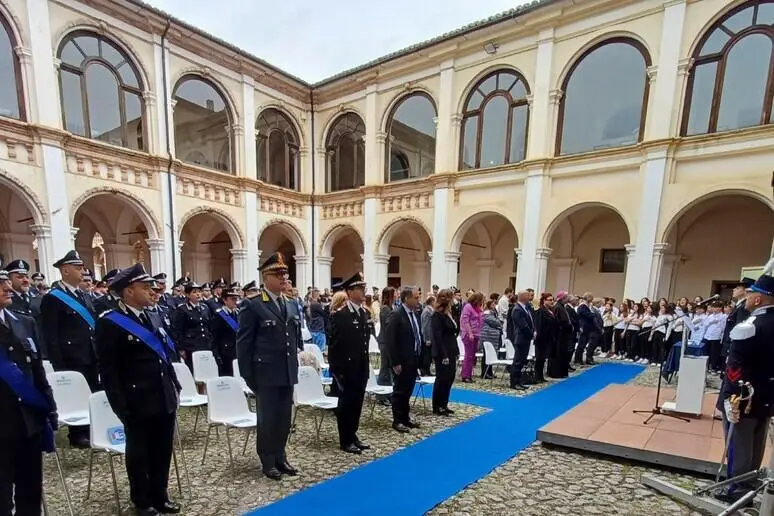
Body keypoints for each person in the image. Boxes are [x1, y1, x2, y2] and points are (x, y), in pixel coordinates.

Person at [95, 263, 181, 515]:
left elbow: (163, 358)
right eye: (145, 287)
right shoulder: (110, 322)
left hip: (162, 395)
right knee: (140, 454)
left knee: (162, 450)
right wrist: (121, 406)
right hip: (137, 400)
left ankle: (160, 495)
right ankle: (142, 501)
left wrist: (173, 386)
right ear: (129, 291)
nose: (152, 291)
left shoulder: (153, 315)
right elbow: (109, 370)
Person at [236, 252, 301, 480]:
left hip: (286, 371)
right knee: (268, 419)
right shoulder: (253, 304)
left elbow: (293, 339)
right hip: (265, 373)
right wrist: (249, 376)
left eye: (285, 273)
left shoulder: (290, 304)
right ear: (266, 277)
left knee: (283, 418)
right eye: (278, 274)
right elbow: (244, 344)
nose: (284, 278)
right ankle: (268, 459)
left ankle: (281, 456)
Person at [0, 269, 57, 515]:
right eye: (0, 284)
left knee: (30, 492)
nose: (8, 288)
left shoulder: (24, 322)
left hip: (28, 423)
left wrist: (50, 409)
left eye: (6, 282)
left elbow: (37, 373)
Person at [715, 272, 774, 504]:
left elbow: (735, 367)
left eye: (750, 294)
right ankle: (748, 485)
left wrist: (730, 398)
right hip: (766, 395)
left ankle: (736, 489)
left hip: (743, 397)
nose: (747, 298)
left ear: (758, 299)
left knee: (739, 443)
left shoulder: (749, 326)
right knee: (757, 441)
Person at [40, 250, 97, 448]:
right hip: (70, 356)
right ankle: (77, 433)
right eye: (78, 268)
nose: (83, 271)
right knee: (76, 394)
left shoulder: (83, 295)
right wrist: (58, 361)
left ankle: (92, 427)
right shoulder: (53, 298)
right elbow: (50, 333)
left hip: (90, 352)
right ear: (65, 270)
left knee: (91, 390)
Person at [328, 273, 372, 454]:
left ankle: (353, 435)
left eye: (363, 288)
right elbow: (334, 345)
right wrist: (337, 371)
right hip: (347, 369)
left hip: (360, 367)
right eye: (360, 288)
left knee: (357, 403)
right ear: (350, 291)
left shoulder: (363, 313)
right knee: (346, 405)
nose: (363, 292)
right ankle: (345, 440)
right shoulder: (341, 315)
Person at [384, 286, 423, 433]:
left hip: (413, 358)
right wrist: (395, 362)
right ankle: (398, 420)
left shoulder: (414, 314)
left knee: (408, 390)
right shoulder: (396, 315)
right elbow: (390, 341)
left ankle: (406, 417)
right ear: (407, 298)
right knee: (400, 391)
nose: (418, 300)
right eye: (416, 298)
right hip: (401, 360)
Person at [171, 281, 212, 370]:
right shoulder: (182, 309)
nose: (198, 294)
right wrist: (181, 348)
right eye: (194, 292)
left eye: (199, 292)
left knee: (205, 370)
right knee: (193, 370)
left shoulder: (205, 307)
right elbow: (179, 330)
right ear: (187, 294)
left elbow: (208, 326)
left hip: (205, 344)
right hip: (190, 345)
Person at [430, 289, 458, 415]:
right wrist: (444, 354)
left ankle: (444, 404)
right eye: (451, 298)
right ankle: (437, 406)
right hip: (443, 351)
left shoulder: (449, 314)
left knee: (450, 378)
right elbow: (438, 336)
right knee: (442, 378)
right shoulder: (437, 315)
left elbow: (454, 330)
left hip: (451, 349)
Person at [211, 286, 241, 376]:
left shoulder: (238, 313)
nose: (235, 301)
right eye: (232, 299)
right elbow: (214, 336)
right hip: (225, 352)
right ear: (225, 300)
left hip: (237, 350)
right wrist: (216, 354)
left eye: (236, 299)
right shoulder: (219, 315)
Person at [509, 289, 535, 390]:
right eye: (528, 295)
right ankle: (514, 382)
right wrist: (531, 334)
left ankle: (519, 381)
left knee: (522, 361)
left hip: (525, 338)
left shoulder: (525, 308)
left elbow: (530, 321)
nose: (530, 297)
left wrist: (533, 331)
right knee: (518, 362)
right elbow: (523, 326)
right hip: (521, 338)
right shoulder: (517, 309)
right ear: (523, 297)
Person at [459, 292, 483, 383]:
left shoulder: (477, 308)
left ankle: (468, 374)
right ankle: (465, 376)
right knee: (468, 355)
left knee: (472, 356)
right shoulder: (468, 307)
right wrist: (470, 333)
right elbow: (465, 321)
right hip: (468, 334)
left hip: (476, 334)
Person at [535, 293, 558, 383]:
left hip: (549, 338)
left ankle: (541, 376)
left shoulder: (550, 310)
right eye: (550, 300)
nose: (552, 302)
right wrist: (539, 338)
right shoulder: (541, 311)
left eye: (552, 300)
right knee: (539, 358)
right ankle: (537, 376)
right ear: (544, 300)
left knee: (543, 358)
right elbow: (539, 325)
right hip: (542, 338)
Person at [419, 295, 435, 376]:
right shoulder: (427, 311)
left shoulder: (430, 310)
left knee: (429, 355)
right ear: (431, 302)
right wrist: (427, 338)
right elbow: (426, 326)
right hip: (427, 337)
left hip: (430, 336)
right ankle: (425, 370)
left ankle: (427, 370)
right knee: (427, 355)